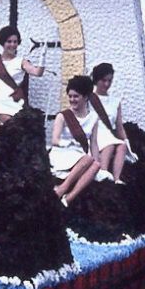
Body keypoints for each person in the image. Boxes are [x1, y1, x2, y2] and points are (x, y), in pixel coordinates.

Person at [0, 25, 46, 129]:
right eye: (9, 41)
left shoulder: (21, 62)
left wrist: (42, 58)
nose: (12, 44)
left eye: (15, 42)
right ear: (2, 43)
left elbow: (37, 72)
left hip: (13, 100)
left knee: (9, 122)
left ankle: (2, 133)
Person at [49, 76, 102, 207]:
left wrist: (98, 162)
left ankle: (67, 199)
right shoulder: (62, 116)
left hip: (80, 157)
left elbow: (93, 143)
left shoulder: (94, 118)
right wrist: (66, 143)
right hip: (61, 153)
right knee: (88, 160)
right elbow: (55, 140)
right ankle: (62, 188)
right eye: (70, 96)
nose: (72, 100)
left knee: (95, 165)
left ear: (86, 97)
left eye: (76, 96)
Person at [90, 63, 137, 184]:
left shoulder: (115, 102)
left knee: (121, 146)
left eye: (109, 81)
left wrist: (127, 142)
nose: (107, 84)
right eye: (103, 80)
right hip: (94, 133)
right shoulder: (89, 99)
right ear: (96, 80)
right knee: (110, 145)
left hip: (108, 133)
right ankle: (103, 172)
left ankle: (116, 179)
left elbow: (119, 126)